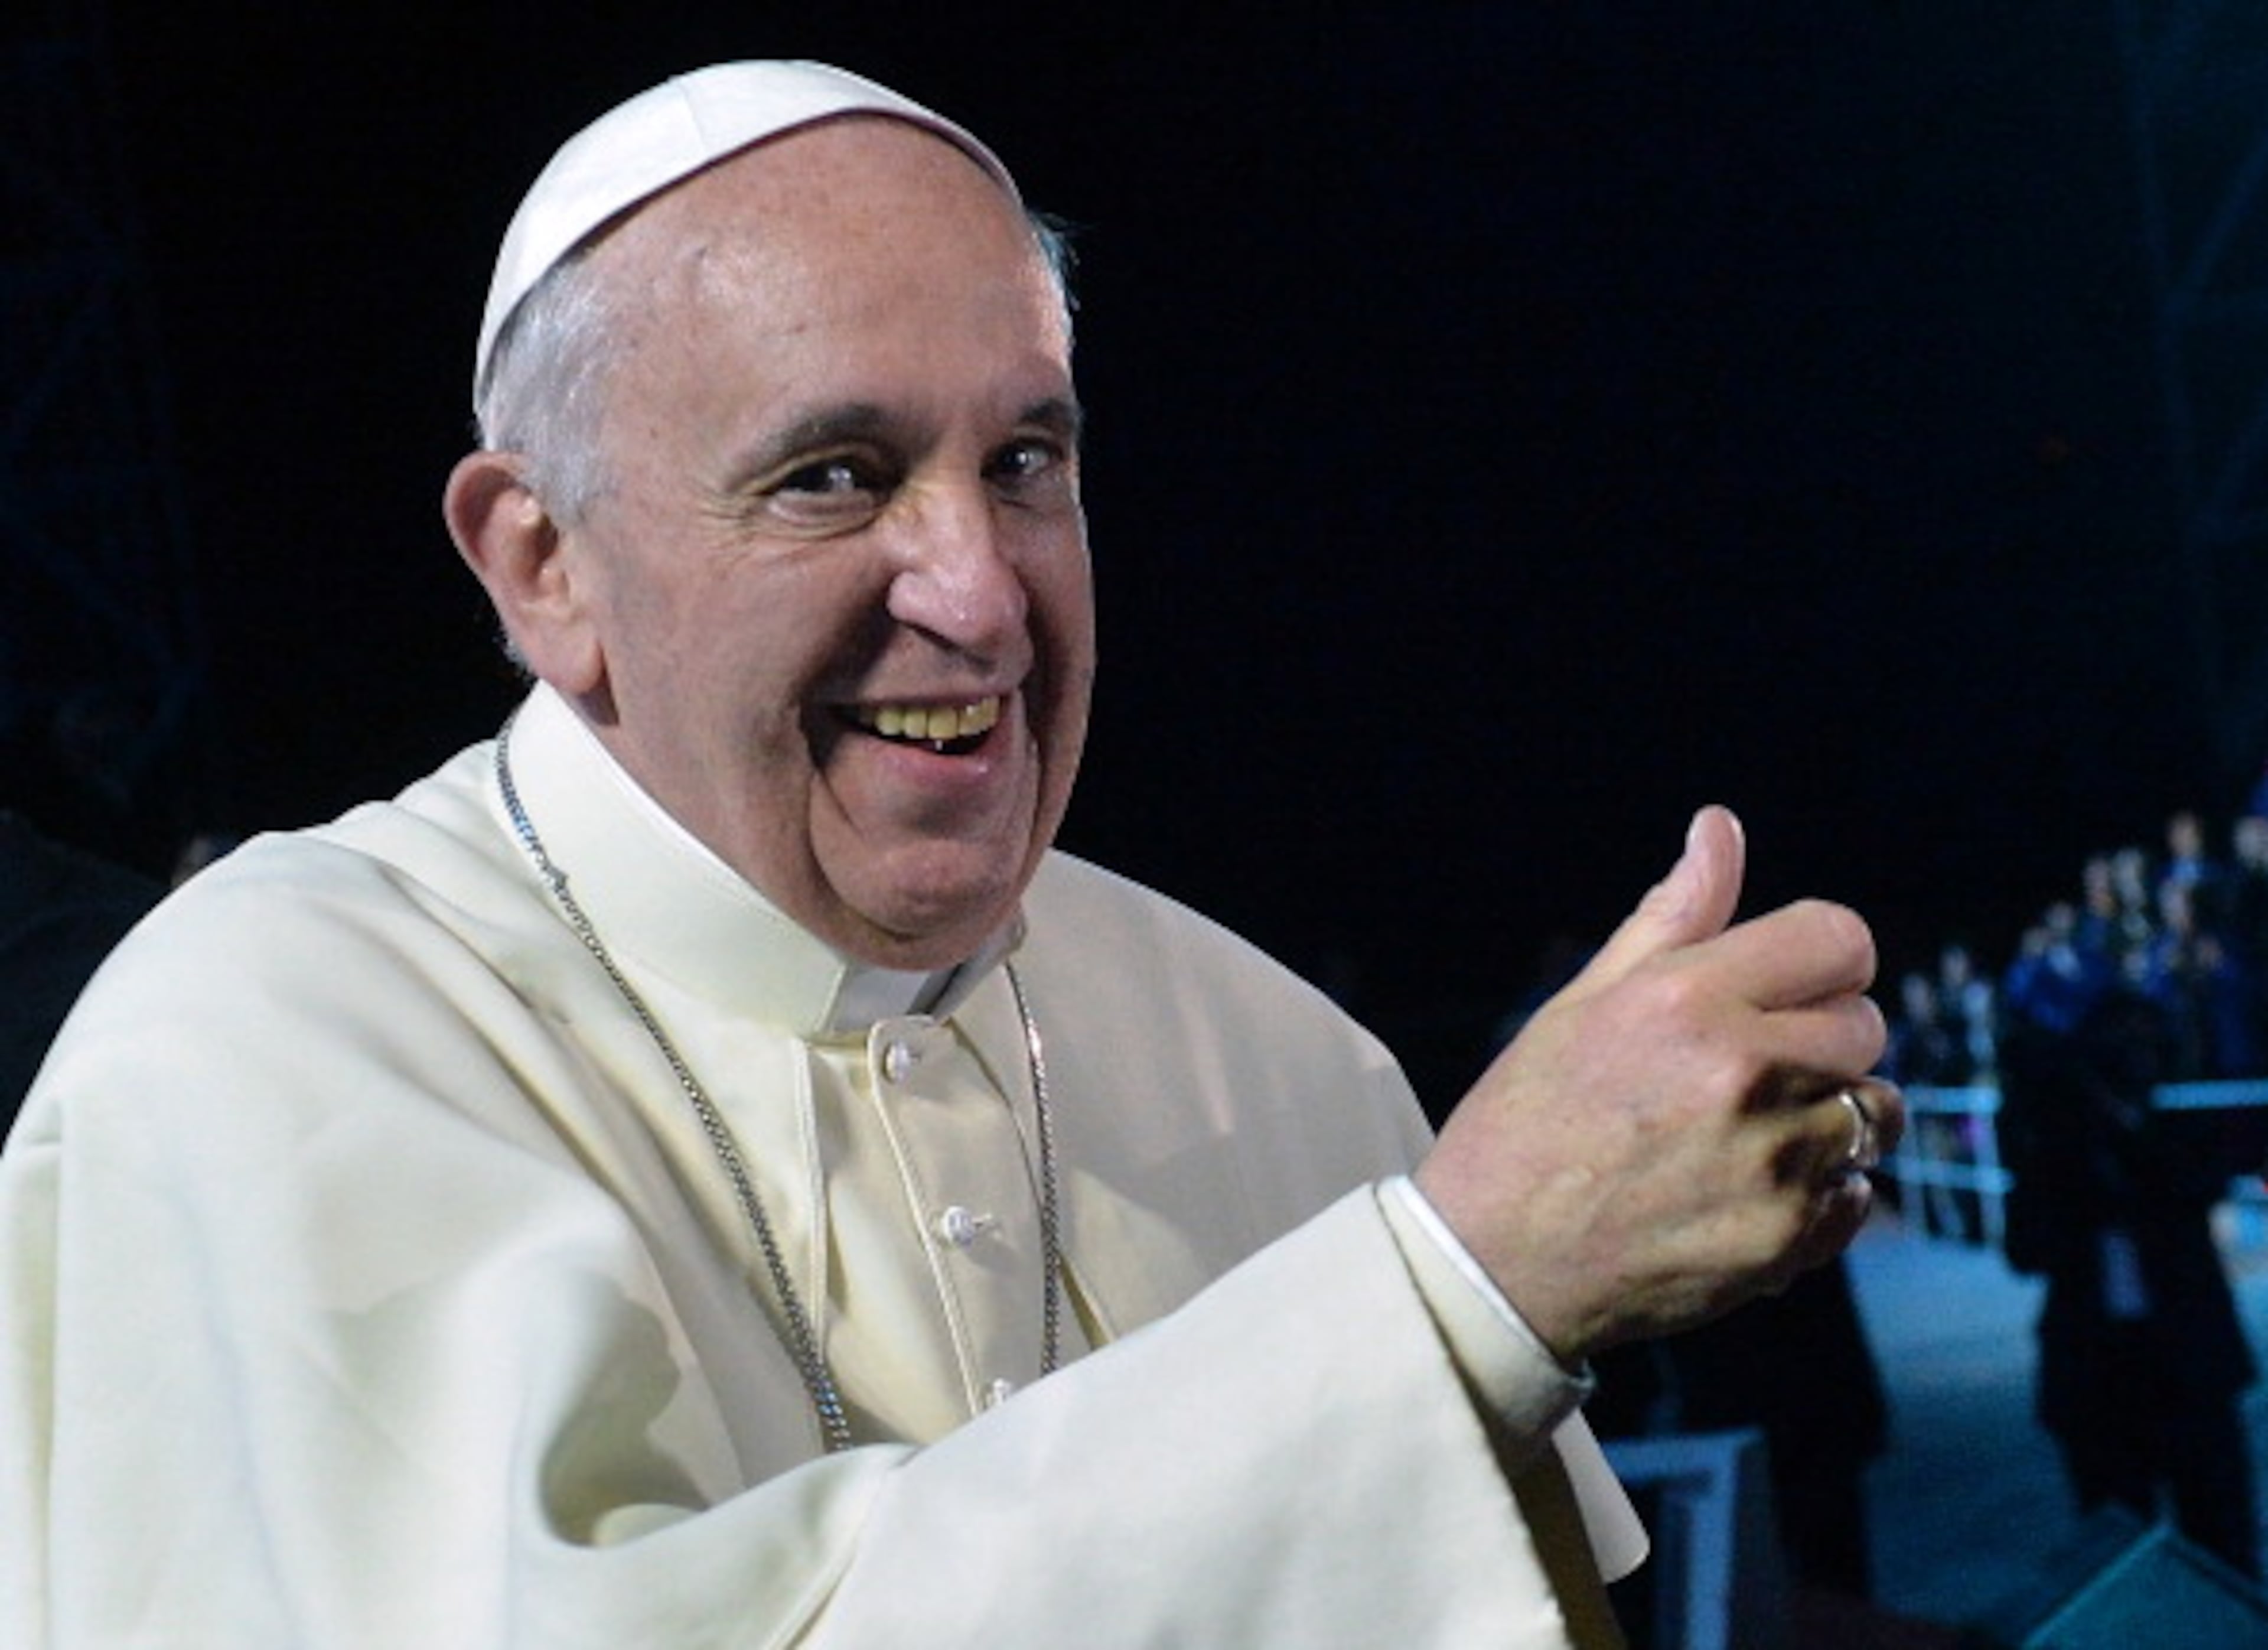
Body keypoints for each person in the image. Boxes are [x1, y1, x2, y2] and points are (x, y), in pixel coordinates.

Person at [0, 62, 1898, 1646]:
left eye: (1027, 460)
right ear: (543, 562)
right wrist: (1455, 1298)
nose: (980, 592)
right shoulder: (268, 1045)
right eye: (832, 474)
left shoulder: (1284, 1057)